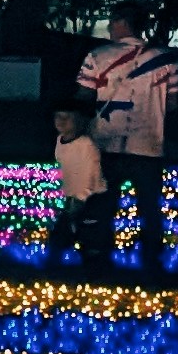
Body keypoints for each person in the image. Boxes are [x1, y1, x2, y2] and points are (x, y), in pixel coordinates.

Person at [77, 11, 178, 273]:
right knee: (149, 208)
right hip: (148, 145)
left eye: (113, 21)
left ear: (124, 23)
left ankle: (98, 259)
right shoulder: (167, 60)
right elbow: (173, 104)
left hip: (105, 144)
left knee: (102, 204)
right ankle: (151, 262)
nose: (110, 26)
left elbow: (82, 98)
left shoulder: (96, 57)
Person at [43, 102, 111, 270]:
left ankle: (95, 267)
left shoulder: (86, 145)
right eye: (58, 117)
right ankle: (55, 266)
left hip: (92, 198)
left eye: (67, 118)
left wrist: (82, 197)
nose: (61, 121)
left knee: (89, 233)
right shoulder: (60, 141)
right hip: (72, 197)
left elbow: (91, 172)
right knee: (61, 232)